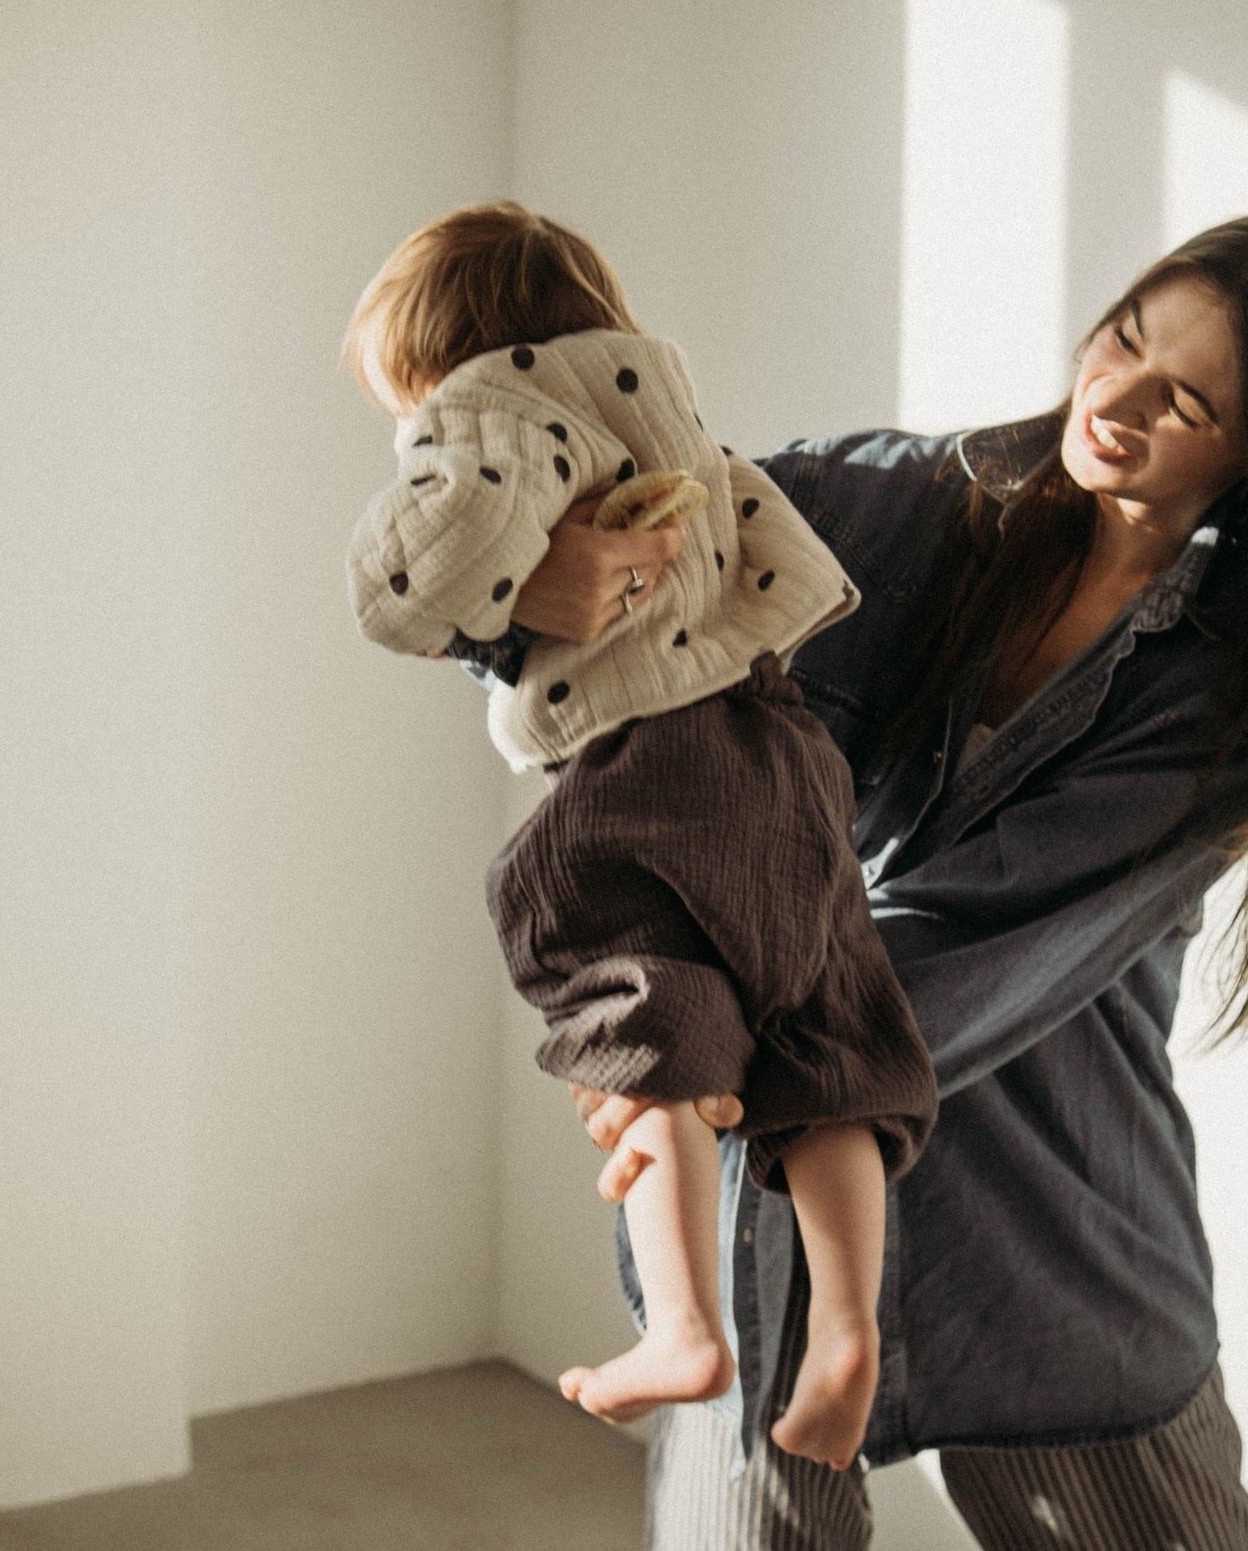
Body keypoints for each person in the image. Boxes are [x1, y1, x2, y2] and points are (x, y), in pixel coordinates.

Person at [520, 211, 1248, 1548]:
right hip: (770, 1245)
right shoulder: (882, 505)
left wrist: (680, 1036)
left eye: (1187, 403)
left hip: (1048, 1252)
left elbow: (955, 949)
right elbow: (586, 561)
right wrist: (542, 579)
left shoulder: (1244, 699)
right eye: (1125, 338)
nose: (1116, 398)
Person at [342, 202, 938, 1467]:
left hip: (650, 759)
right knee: (828, 1025)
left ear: (440, 355)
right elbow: (777, 551)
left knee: (643, 1014)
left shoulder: (488, 409)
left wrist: (456, 552)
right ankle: (847, 1334)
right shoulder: (660, 402)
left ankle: (683, 1328)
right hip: (779, 744)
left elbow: (415, 582)